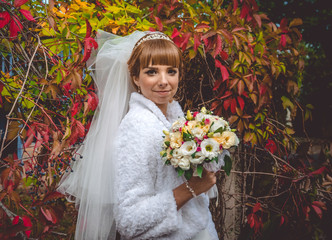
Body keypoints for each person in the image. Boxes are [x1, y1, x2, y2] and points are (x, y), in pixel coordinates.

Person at [57, 31, 218, 240]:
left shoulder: (175, 120)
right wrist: (190, 189)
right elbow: (129, 219)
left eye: (171, 71)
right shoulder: (137, 127)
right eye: (152, 72)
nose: (164, 81)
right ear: (135, 77)